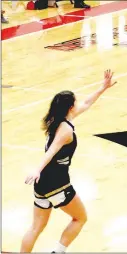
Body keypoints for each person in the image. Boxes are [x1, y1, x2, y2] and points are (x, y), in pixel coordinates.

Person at [21, 70, 117, 253]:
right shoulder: (66, 131)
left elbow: (87, 103)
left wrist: (102, 88)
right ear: (70, 107)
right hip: (57, 184)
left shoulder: (56, 121)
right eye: (75, 102)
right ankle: (58, 251)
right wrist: (37, 169)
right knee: (80, 218)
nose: (78, 103)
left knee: (36, 227)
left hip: (42, 185)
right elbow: (51, 151)